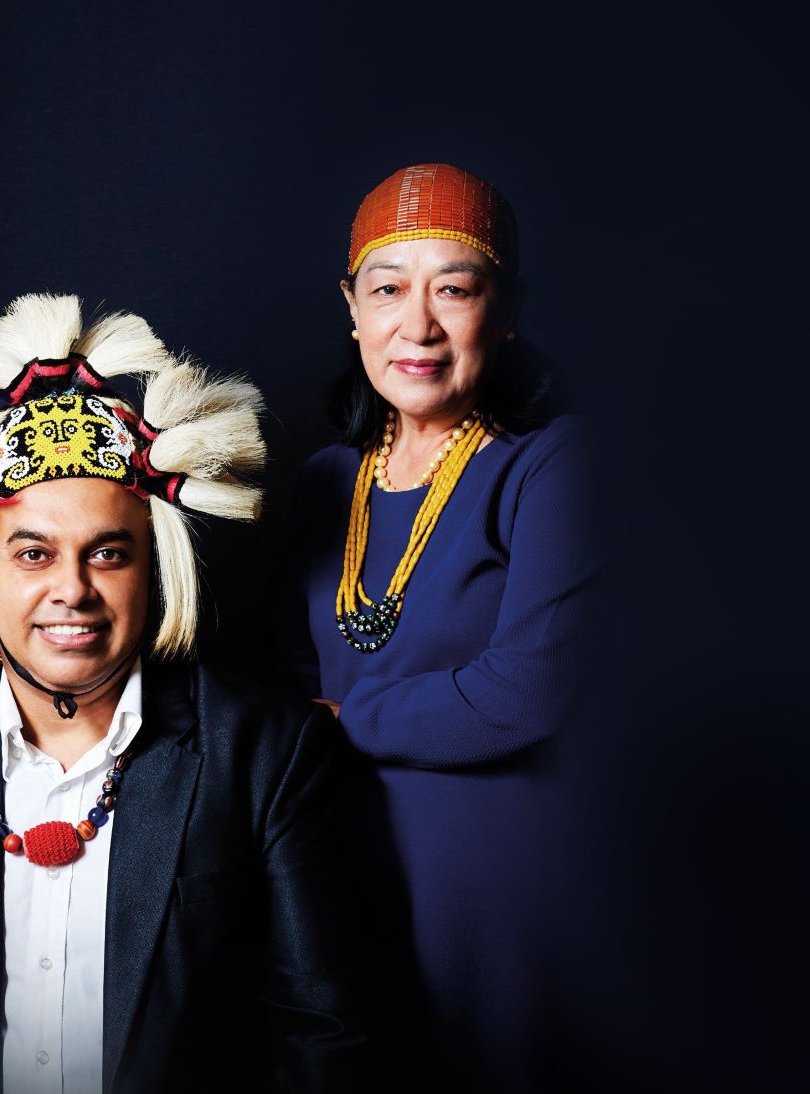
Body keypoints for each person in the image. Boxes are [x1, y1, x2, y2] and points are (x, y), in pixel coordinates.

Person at [0, 294, 368, 1091]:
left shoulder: (266, 757)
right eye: (32, 554)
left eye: (108, 554)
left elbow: (324, 1037)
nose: (72, 590)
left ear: (153, 569)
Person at [288, 164, 600, 1090]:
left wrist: (343, 720)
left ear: (505, 312)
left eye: (454, 290)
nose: (417, 326)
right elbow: (274, 676)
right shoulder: (325, 480)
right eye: (388, 290)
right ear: (352, 309)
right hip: (337, 874)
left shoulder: (553, 464)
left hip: (494, 895)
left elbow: (528, 690)